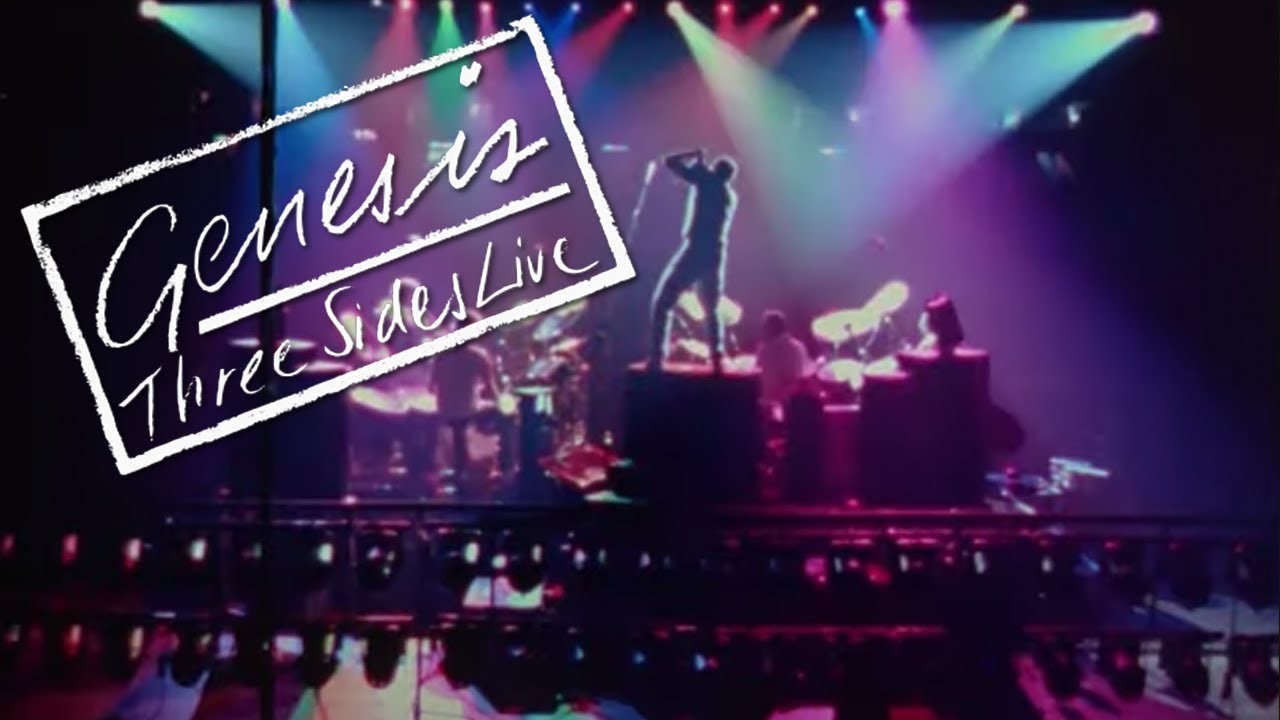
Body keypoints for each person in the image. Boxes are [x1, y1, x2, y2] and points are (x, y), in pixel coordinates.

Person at [649, 148, 738, 372]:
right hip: (716, 252)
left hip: (696, 249)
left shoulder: (708, 182)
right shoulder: (728, 195)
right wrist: (701, 165)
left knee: (663, 303)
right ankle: (717, 358)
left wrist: (692, 155)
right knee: (711, 308)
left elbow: (670, 161)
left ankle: (657, 357)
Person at [429, 316, 501, 479]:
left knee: (457, 428)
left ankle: (458, 466)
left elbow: (432, 387)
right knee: (502, 414)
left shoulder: (441, 355)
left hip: (445, 408)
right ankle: (500, 462)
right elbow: (491, 388)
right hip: (467, 409)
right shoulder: (478, 356)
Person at [754, 310, 811, 408]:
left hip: (774, 402)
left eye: (765, 326)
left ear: (771, 327)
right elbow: (804, 373)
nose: (763, 330)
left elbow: (759, 368)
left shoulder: (767, 349)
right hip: (793, 401)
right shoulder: (798, 346)